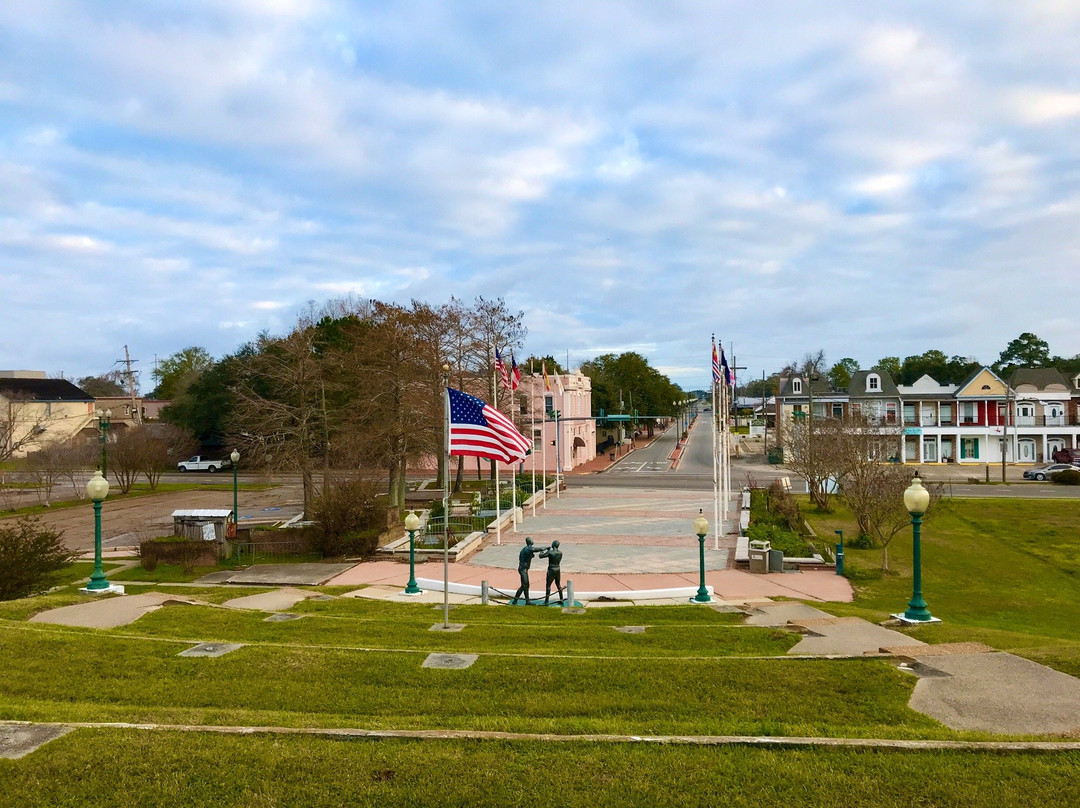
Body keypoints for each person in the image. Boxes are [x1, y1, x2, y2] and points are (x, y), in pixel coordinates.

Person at [512, 536, 546, 605]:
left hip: (524, 568)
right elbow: (537, 549)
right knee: (524, 585)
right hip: (523, 569)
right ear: (530, 542)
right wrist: (545, 548)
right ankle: (515, 601)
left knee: (526, 585)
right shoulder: (527, 549)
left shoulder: (527, 549)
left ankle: (527, 601)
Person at [539, 539, 564, 606]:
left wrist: (542, 550)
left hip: (551, 569)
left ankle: (546, 601)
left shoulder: (550, 552)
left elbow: (541, 556)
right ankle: (561, 599)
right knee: (558, 584)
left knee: (548, 585)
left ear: (553, 545)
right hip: (558, 568)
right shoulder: (560, 553)